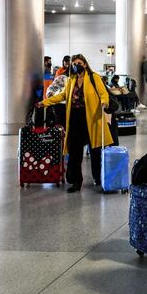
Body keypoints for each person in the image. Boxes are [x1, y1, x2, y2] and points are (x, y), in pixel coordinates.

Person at [37, 54, 113, 193]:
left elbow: (103, 93)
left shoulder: (93, 77)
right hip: (75, 118)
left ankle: (98, 178)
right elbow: (63, 95)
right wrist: (45, 102)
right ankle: (76, 181)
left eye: (78, 62)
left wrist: (104, 102)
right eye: (74, 63)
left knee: (95, 151)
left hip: (91, 118)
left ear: (85, 64)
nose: (75, 65)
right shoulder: (71, 79)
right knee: (75, 151)